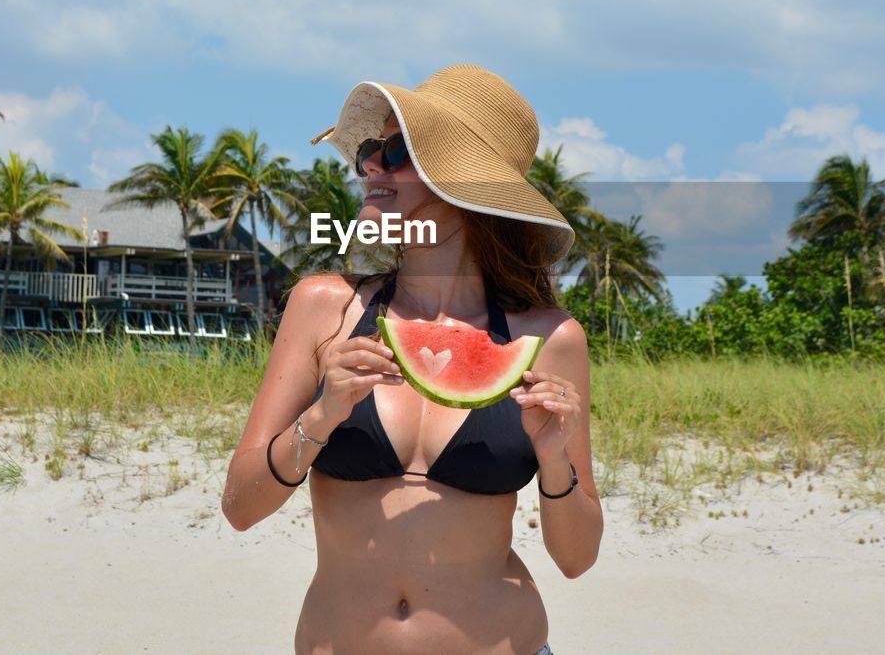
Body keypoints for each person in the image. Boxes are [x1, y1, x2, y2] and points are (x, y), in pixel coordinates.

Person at [222, 65, 603, 654]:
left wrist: (554, 460)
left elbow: (577, 558)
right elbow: (240, 508)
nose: (372, 164)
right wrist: (321, 418)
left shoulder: (549, 338)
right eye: (369, 151)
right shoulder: (326, 307)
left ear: (463, 184)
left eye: (396, 151)